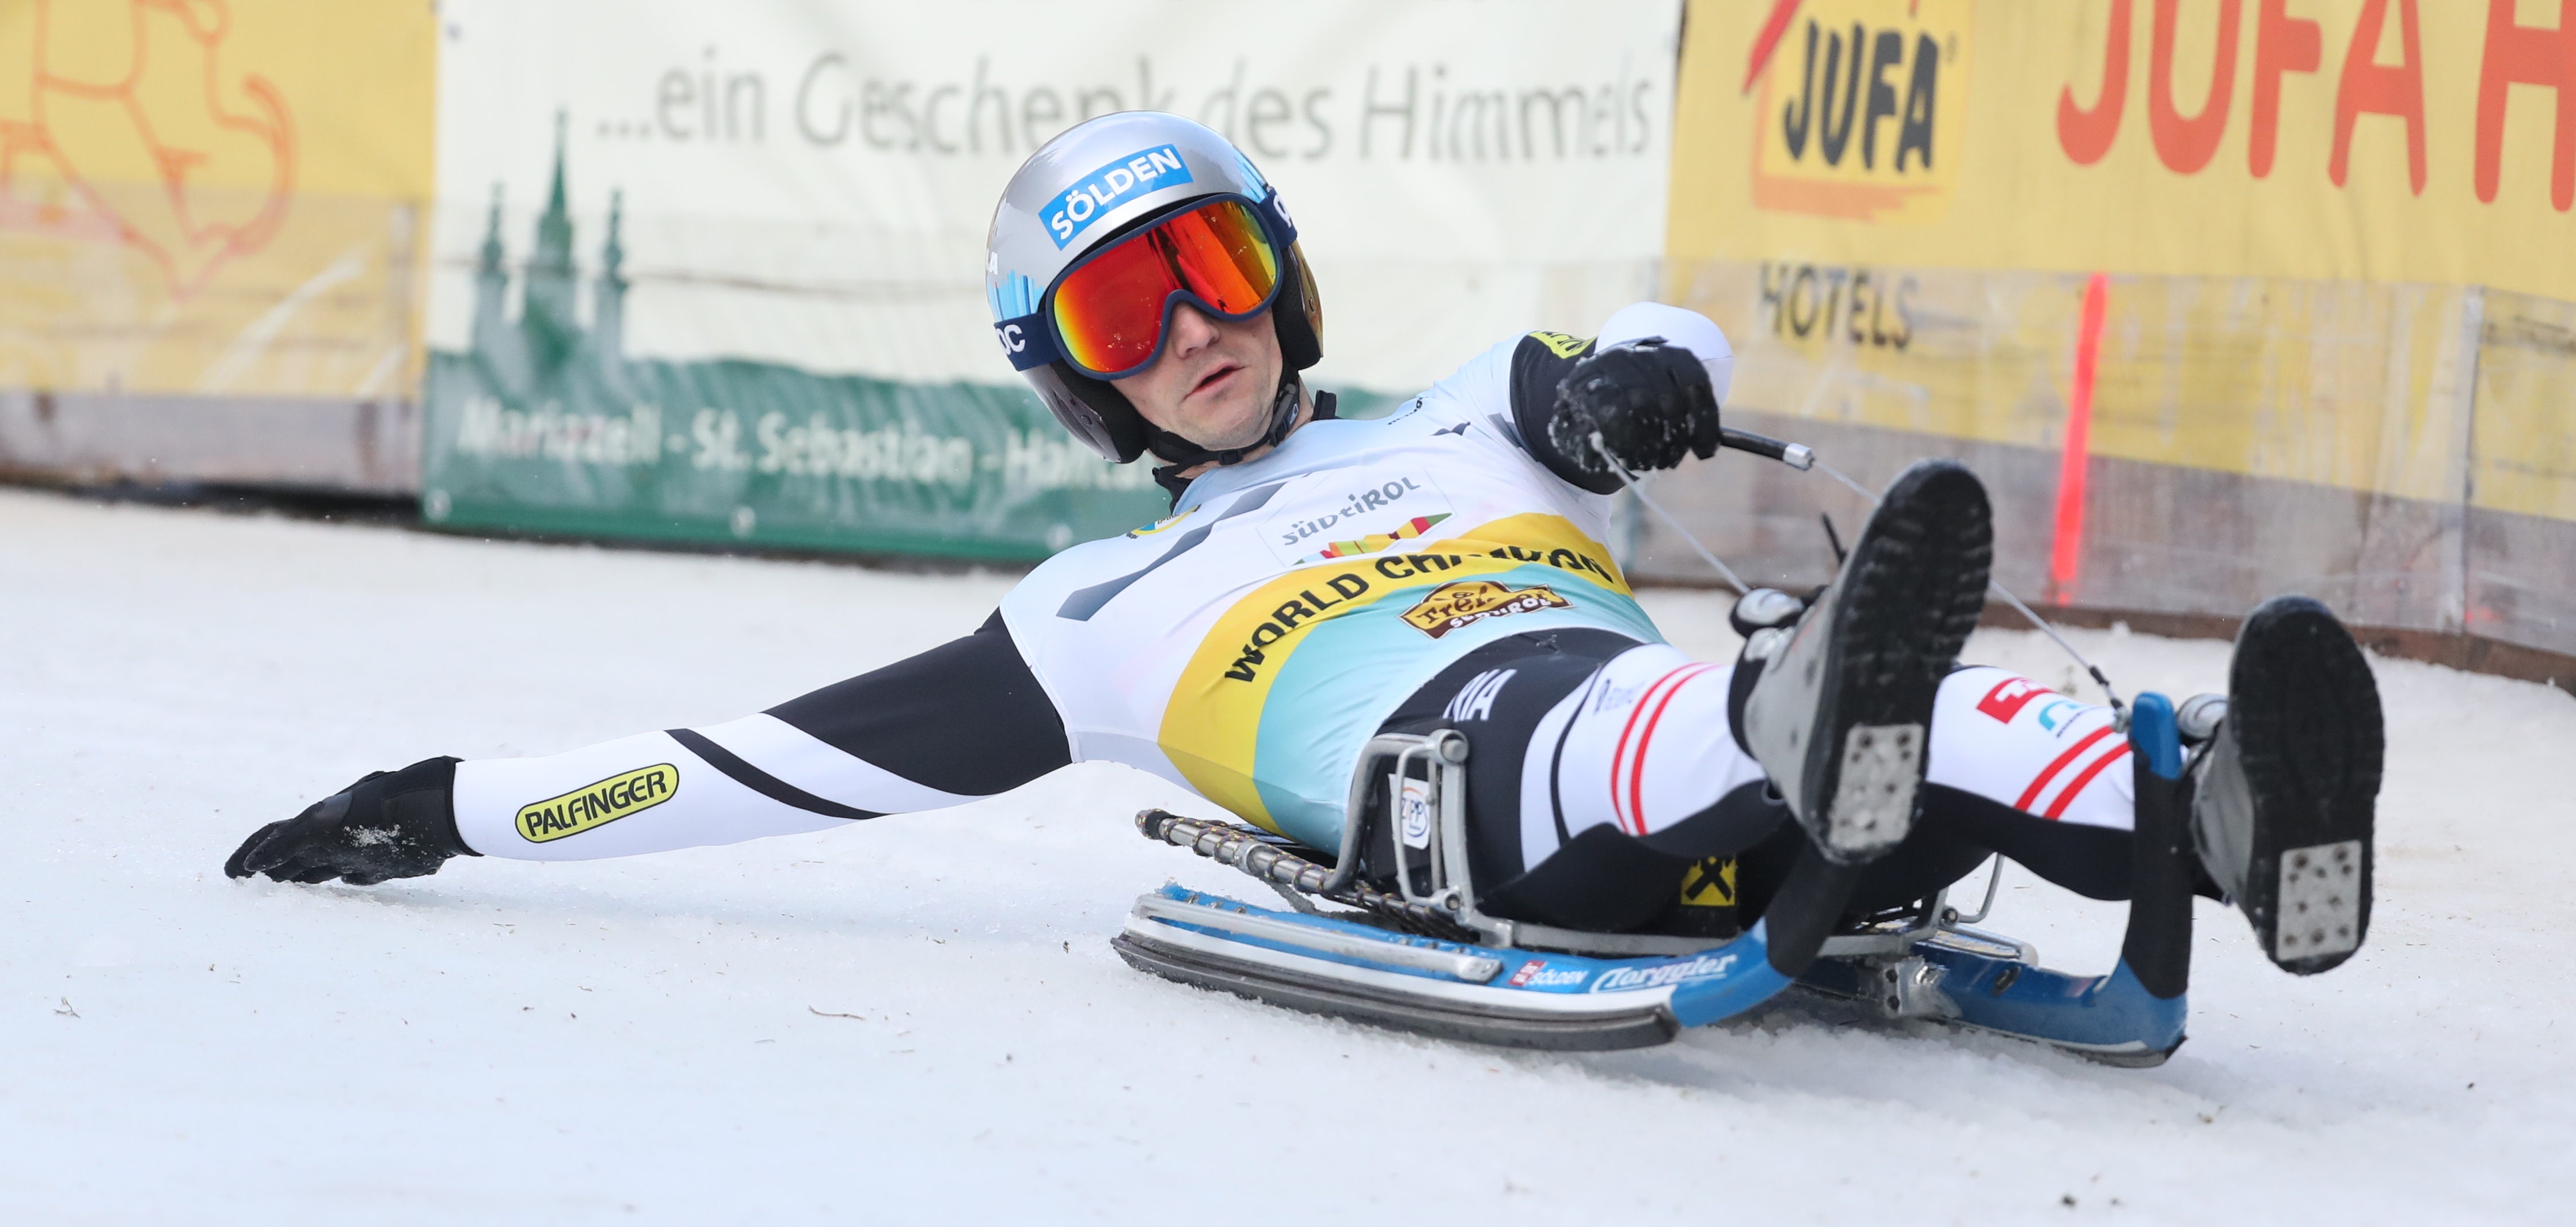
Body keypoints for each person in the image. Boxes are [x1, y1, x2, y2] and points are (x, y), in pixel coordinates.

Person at [227, 112, 2383, 981]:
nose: (1193, 330)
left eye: (1216, 268)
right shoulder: (1087, 621)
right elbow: (760, 759)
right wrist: (456, 807)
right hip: (1484, 796)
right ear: (1067, 379)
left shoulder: (1477, 411)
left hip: (1678, 720)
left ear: (1284, 277)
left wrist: (1640, 387)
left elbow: (1643, 333)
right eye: (1122, 311)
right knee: (1642, 712)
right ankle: (1822, 723)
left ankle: (2222, 816)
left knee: (1968, 695)